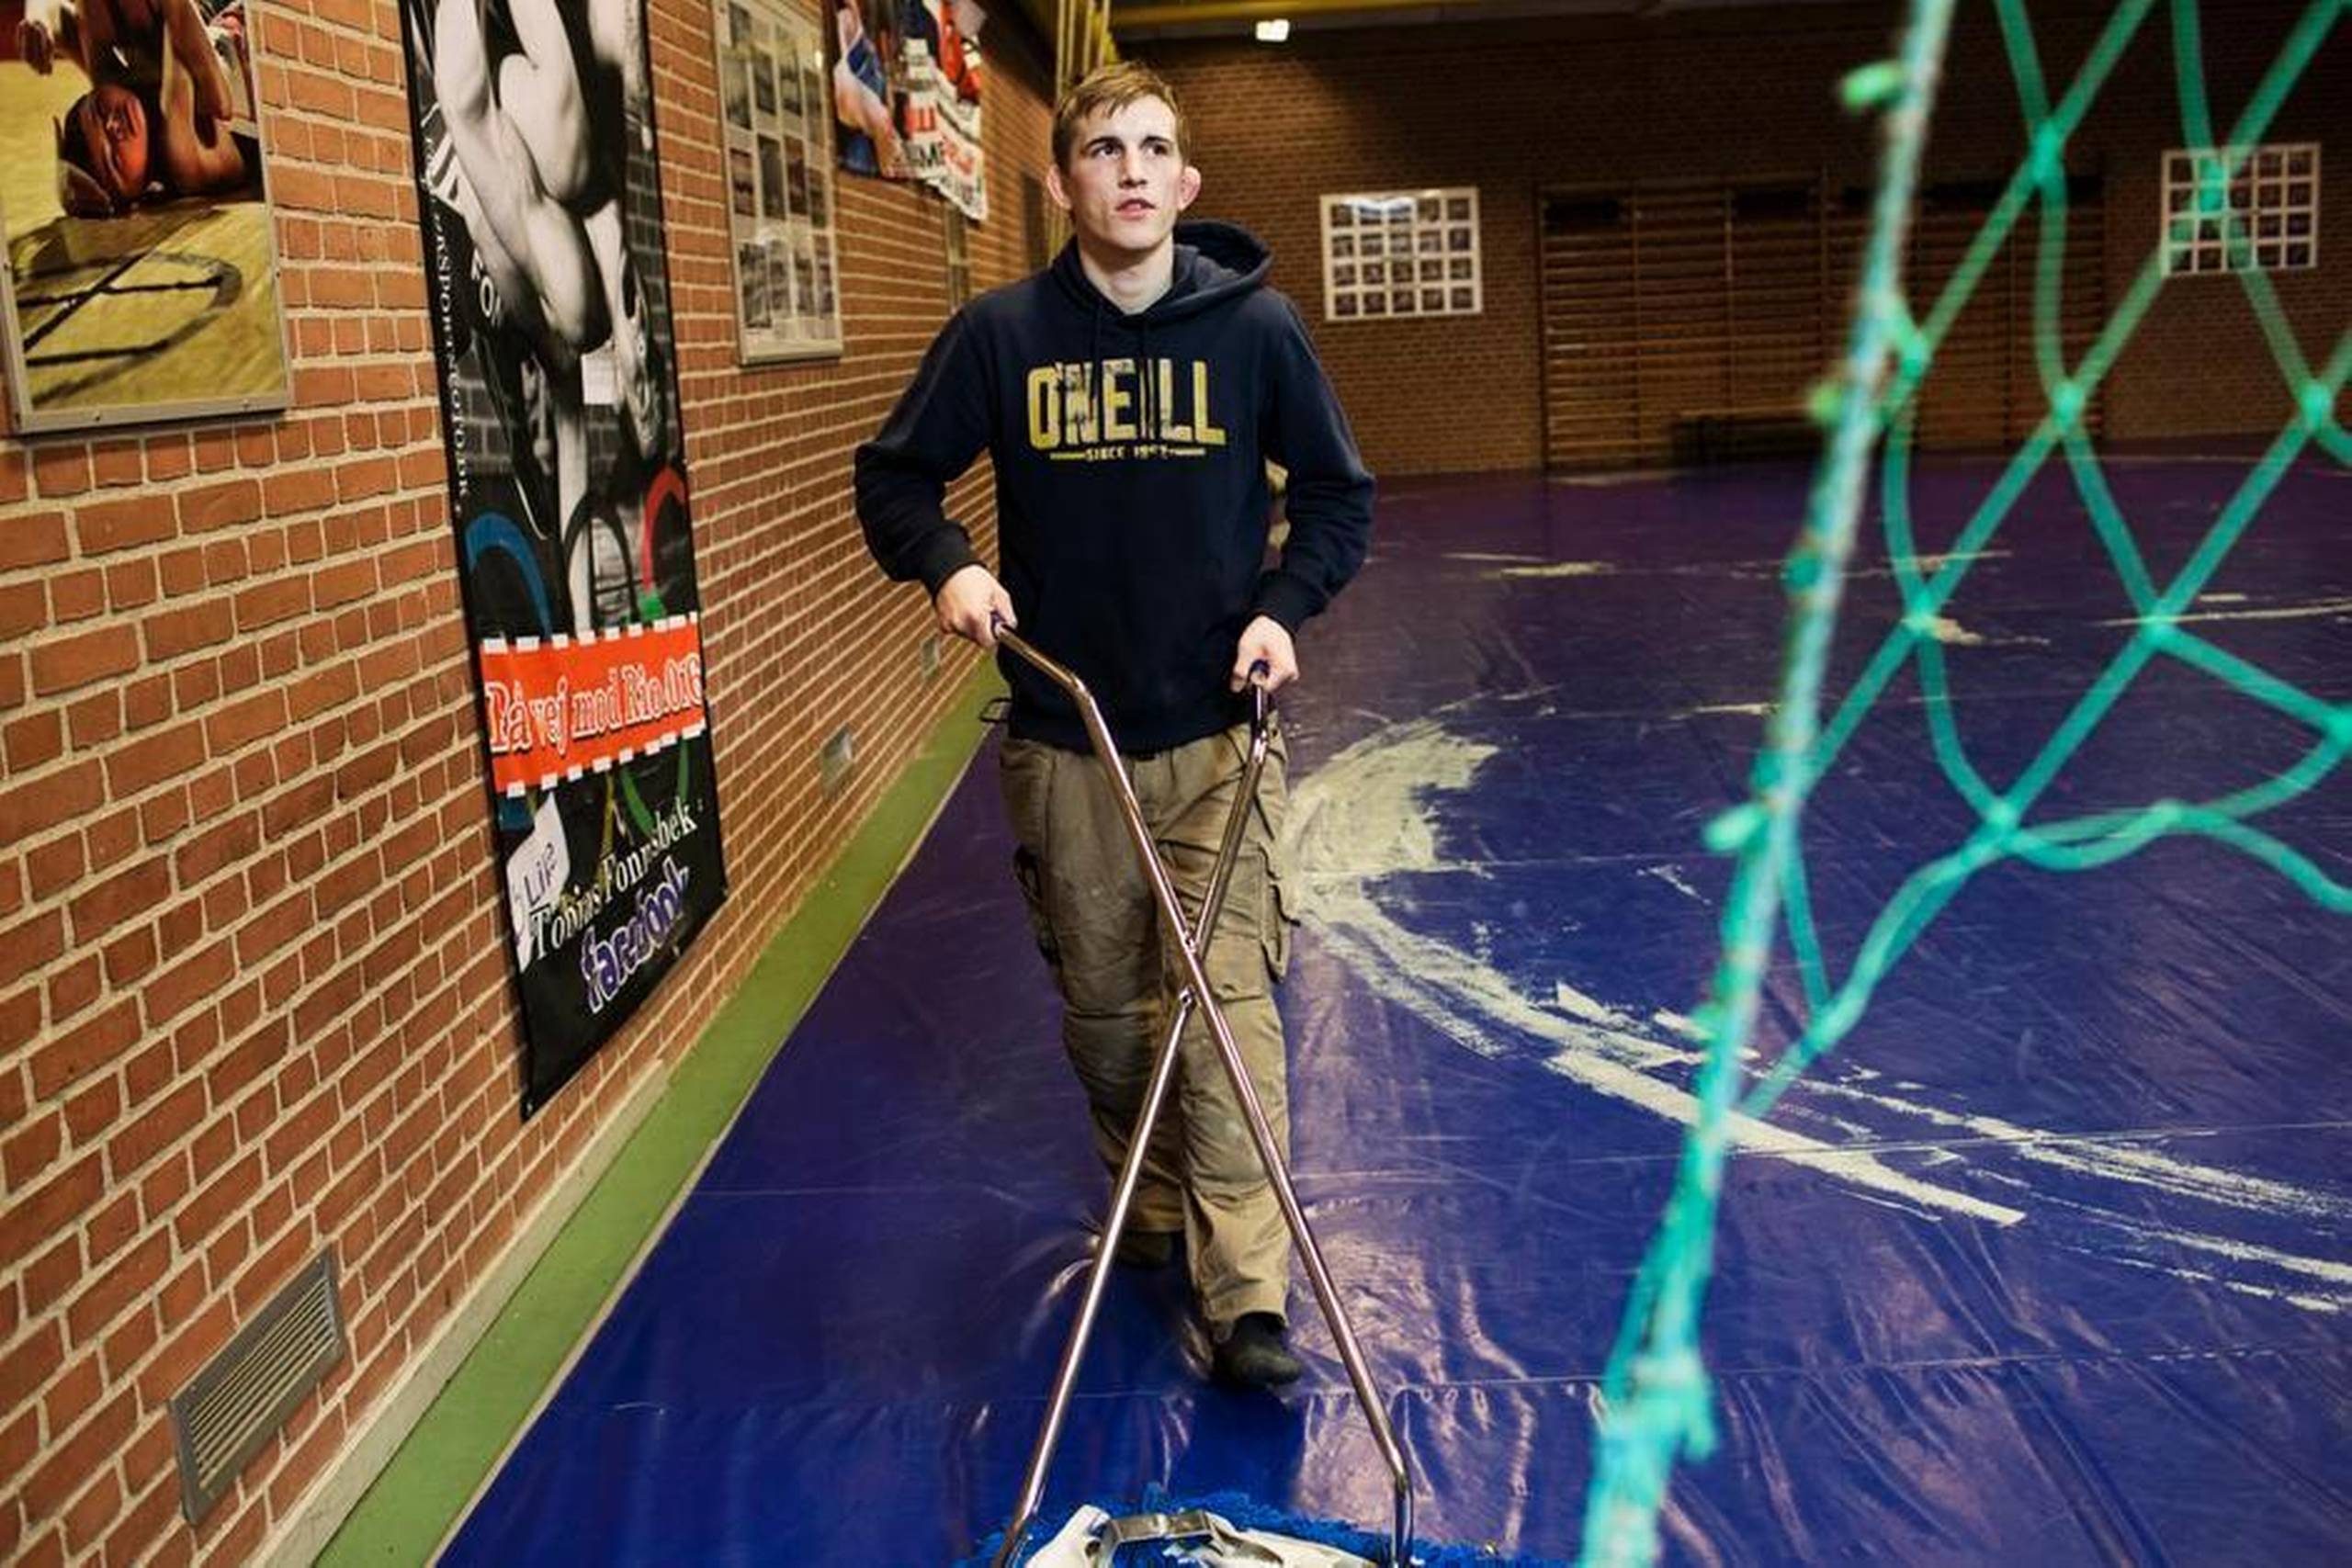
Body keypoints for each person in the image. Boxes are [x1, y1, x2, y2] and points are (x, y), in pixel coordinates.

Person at [854, 62, 1374, 1389]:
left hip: (1215, 732)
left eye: (1154, 149)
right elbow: (896, 474)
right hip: (1065, 732)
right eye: (1103, 150)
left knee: (1227, 1008)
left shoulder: (1257, 333)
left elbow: (1334, 497)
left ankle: (1247, 1292)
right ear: (1061, 182)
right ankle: (1144, 1201)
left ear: (1188, 184)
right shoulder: (1002, 334)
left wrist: (1283, 608)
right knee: (1106, 1007)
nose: (1132, 171)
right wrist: (950, 566)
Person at [22, 0, 257, 215]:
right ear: (133, 193)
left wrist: (38, 20)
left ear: (95, 92)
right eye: (114, 159)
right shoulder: (183, 158)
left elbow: (66, 15)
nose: (114, 127)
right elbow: (219, 100)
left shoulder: (134, 89)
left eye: (100, 112)